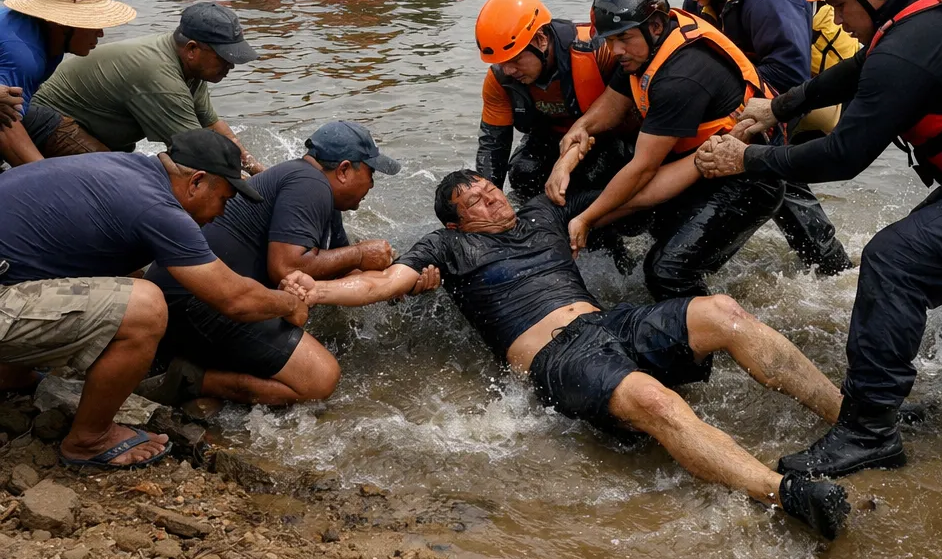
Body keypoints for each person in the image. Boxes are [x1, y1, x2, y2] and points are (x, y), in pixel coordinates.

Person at [281, 171, 850, 539]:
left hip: (610, 324)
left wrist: (702, 160)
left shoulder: (543, 213)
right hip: (556, 358)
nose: (489, 196)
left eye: (487, 187)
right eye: (472, 201)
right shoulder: (446, 246)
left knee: (722, 310)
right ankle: (785, 493)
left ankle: (850, 419)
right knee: (655, 399)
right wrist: (318, 290)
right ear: (455, 221)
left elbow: (636, 189)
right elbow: (380, 285)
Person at [694, 0, 942, 479]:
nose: (837, 21)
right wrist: (779, 106)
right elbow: (862, 67)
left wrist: (745, 158)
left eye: (840, 7)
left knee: (894, 260)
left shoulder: (911, 42)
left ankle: (869, 433)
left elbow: (844, 157)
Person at [0, 129, 305, 470]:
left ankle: (10, 376)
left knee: (105, 281)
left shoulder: (128, 169)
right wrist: (290, 303)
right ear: (197, 182)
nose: (223, 211)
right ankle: (88, 440)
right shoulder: (158, 207)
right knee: (145, 307)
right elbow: (235, 299)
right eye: (225, 198)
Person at [551, 0, 784, 301]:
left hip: (748, 177)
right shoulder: (641, 48)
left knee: (668, 270)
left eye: (623, 38)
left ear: (657, 26)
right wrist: (582, 128)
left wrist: (588, 217)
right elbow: (614, 103)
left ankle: (709, 336)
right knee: (650, 230)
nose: (614, 50)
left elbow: (644, 171)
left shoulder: (680, 75)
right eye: (609, 39)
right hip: (704, 159)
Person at [142, 121, 405, 406]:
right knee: (320, 378)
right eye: (370, 172)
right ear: (343, 170)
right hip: (196, 303)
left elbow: (340, 267)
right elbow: (288, 268)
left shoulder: (315, 190)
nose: (373, 184)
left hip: (188, 300)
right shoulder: (310, 184)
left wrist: (400, 279)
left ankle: (202, 367)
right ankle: (192, 379)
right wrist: (360, 254)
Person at [656, 0, 852, 276]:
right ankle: (829, 265)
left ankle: (829, 268)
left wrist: (720, 100)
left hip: (819, 92)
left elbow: (788, 73)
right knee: (765, 166)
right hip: (769, 87)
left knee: (762, 162)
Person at [36, 2, 264, 173]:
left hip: (91, 128)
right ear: (192, 50)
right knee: (122, 177)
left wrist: (257, 170)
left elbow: (212, 125)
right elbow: (197, 152)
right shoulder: (161, 77)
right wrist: (244, 185)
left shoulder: (190, 67)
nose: (231, 65)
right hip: (49, 120)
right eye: (224, 58)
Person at [475, 0, 632, 198]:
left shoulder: (598, 51)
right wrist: (486, 199)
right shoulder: (499, 79)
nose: (508, 71)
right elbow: (493, 144)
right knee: (523, 174)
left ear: (540, 39)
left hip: (605, 137)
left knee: (590, 178)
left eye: (515, 60)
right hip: (548, 137)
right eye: (501, 63)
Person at [0, 0, 135, 167]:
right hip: (6, 122)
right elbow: (5, 125)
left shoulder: (46, 38)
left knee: (106, 165)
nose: (100, 33)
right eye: (92, 24)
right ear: (63, 25)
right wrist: (44, 173)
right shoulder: (23, 56)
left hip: (23, 115)